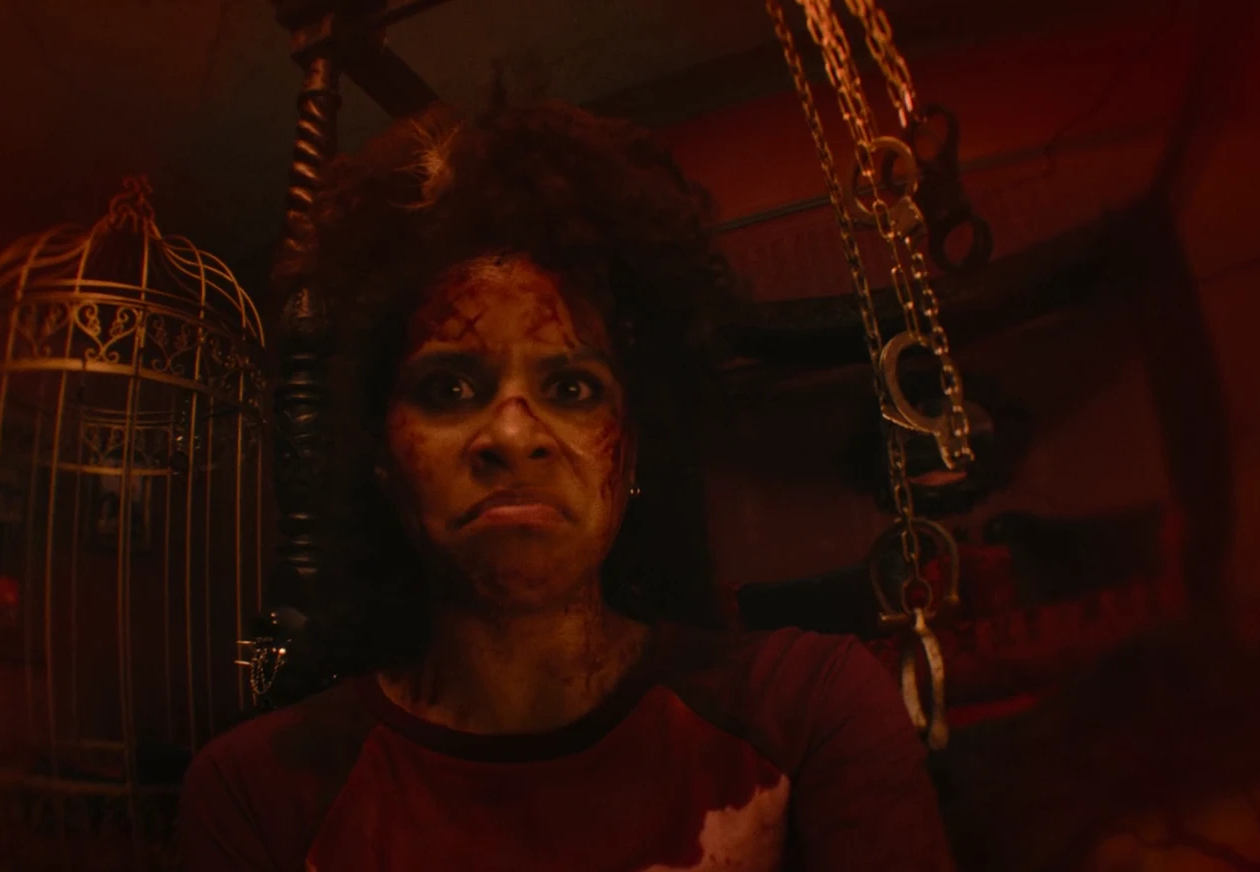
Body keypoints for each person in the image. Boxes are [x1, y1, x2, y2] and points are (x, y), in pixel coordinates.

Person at [179, 101, 953, 871]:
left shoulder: (806, 709)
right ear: (382, 452)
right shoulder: (260, 791)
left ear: (633, 448)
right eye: (449, 388)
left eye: (572, 388)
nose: (514, 435)